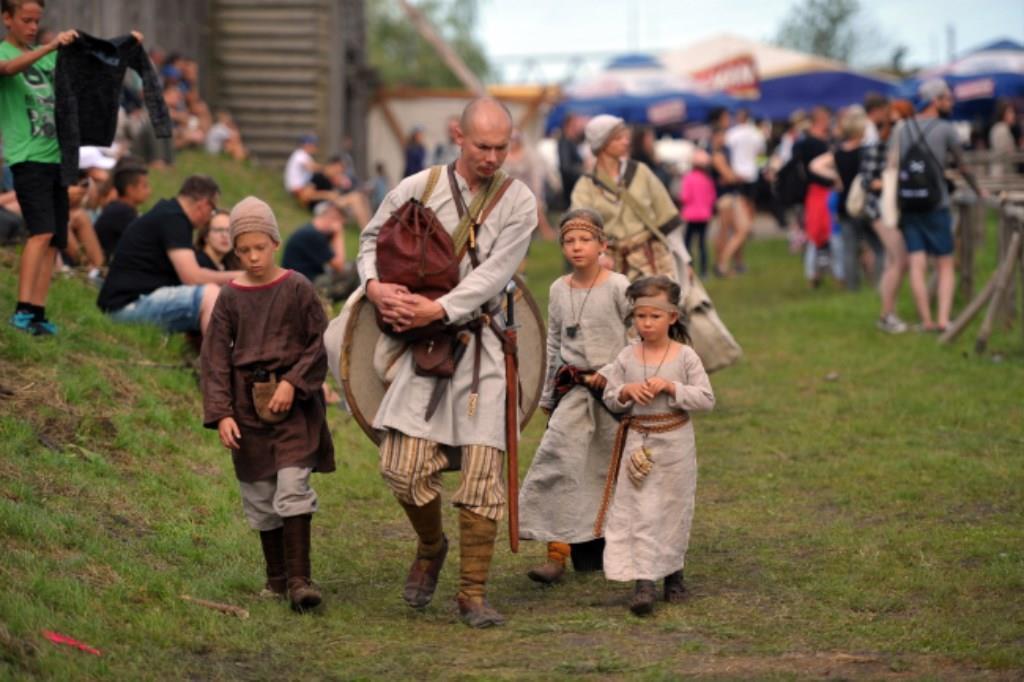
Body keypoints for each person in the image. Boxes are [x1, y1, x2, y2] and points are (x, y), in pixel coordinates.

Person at [358, 97, 536, 628]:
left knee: (483, 472)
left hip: (482, 342)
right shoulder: (421, 186)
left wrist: (439, 306)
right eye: (482, 146)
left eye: (501, 147)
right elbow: (371, 239)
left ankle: (473, 593)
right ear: (459, 136)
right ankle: (431, 545)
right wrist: (375, 287)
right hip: (422, 344)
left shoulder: (519, 200)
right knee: (402, 470)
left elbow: (496, 272)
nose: (492, 157)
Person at [201, 196, 335, 613]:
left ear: (274, 242)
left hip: (293, 408)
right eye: (244, 250)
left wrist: (294, 383)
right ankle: (276, 580)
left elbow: (320, 341)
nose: (254, 257)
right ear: (234, 251)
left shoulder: (297, 288)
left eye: (260, 247)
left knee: (293, 487)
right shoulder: (230, 297)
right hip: (246, 408)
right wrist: (222, 413)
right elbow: (216, 359)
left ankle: (300, 582)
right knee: (260, 495)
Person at [518, 209, 630, 584]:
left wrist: (612, 375)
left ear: (602, 244)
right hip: (573, 393)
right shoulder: (557, 289)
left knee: (607, 470)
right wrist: (549, 394)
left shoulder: (618, 286)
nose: (577, 247)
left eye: (585, 240)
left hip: (614, 397)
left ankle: (618, 549)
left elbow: (636, 339)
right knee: (559, 463)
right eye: (569, 241)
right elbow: (554, 342)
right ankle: (555, 553)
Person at [598, 275, 715, 616]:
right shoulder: (627, 356)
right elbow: (609, 394)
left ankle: (673, 574)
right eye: (640, 317)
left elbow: (706, 399)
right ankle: (643, 583)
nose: (646, 324)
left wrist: (671, 387)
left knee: (672, 509)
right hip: (638, 442)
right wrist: (625, 392)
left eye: (654, 317)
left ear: (672, 317)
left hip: (676, 445)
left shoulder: (685, 356)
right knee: (641, 509)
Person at [1, 0, 78, 335]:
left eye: (37, 21)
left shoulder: (49, 57)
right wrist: (50, 44)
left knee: (54, 239)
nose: (32, 27)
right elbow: (8, 70)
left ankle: (37, 311)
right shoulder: (5, 53)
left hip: (56, 157)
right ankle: (21, 311)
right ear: (7, 19)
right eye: (26, 20)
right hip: (28, 157)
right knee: (40, 232)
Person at [887, 79, 983, 332]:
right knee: (944, 263)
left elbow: (892, 166)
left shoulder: (901, 129)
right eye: (947, 99)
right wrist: (978, 190)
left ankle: (925, 320)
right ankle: (942, 320)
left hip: (908, 203)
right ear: (935, 100)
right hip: (936, 203)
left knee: (916, 263)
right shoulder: (945, 129)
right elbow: (963, 166)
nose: (950, 103)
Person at [97, 175, 239, 334]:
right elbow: (192, 278)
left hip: (129, 303)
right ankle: (219, 358)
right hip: (125, 308)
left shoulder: (169, 213)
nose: (210, 216)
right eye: (213, 210)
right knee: (210, 294)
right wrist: (241, 276)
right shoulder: (174, 219)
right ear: (203, 205)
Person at [570, 115, 692, 286]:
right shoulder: (586, 186)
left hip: (651, 262)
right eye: (619, 138)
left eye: (626, 136)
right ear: (602, 144)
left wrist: (684, 261)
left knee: (661, 310)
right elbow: (579, 229)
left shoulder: (641, 172)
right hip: (610, 269)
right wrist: (598, 257)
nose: (626, 142)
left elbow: (668, 219)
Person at [809, 106, 883, 290]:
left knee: (849, 249)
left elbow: (815, 165)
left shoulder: (839, 153)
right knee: (878, 247)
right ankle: (881, 284)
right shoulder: (868, 152)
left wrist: (836, 178)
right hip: (867, 204)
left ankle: (852, 287)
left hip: (846, 204)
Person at [718, 109, 764, 276]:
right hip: (745, 177)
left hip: (737, 178)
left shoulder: (732, 134)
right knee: (741, 226)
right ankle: (724, 262)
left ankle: (732, 261)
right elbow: (760, 152)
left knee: (733, 227)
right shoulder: (756, 133)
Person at [281, 201, 358, 302]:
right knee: (356, 271)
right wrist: (339, 234)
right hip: (301, 287)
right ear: (334, 218)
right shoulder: (313, 235)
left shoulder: (311, 231)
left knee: (353, 267)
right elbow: (340, 266)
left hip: (301, 281)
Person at [794, 106, 835, 286]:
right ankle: (816, 273)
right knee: (818, 232)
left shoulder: (804, 142)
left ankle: (820, 272)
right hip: (818, 190)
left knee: (824, 232)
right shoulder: (813, 143)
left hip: (818, 190)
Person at [94, 158, 150, 261]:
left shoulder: (121, 208)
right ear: (130, 189)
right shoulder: (121, 211)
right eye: (144, 186)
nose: (149, 191)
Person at [680, 149, 716, 279]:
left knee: (687, 244)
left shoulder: (688, 178)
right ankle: (704, 270)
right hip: (704, 216)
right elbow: (712, 197)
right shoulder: (707, 179)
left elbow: (685, 196)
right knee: (702, 244)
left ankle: (688, 269)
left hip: (691, 216)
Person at [557, 114, 586, 209]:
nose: (578, 127)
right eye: (576, 125)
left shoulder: (572, 142)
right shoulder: (565, 142)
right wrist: (583, 170)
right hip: (570, 190)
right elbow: (565, 167)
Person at [989, 99, 1017, 178]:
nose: (1013, 115)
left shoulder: (998, 127)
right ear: (1003, 114)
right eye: (1010, 112)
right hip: (1002, 174)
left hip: (1001, 172)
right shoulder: (1002, 129)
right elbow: (1006, 152)